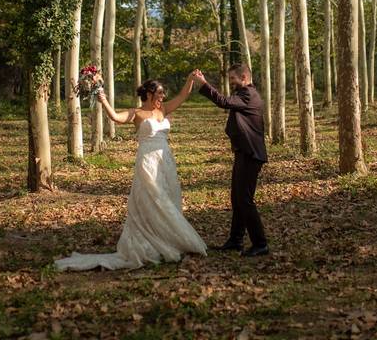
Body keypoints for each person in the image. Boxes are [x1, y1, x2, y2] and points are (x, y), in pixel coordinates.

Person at [54, 77, 207, 271]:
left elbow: (183, 96)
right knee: (152, 198)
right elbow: (116, 117)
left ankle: (168, 237)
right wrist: (104, 100)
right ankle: (148, 239)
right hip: (147, 162)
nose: (163, 96)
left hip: (165, 160)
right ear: (150, 94)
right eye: (160, 92)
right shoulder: (137, 113)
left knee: (168, 198)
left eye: (163, 93)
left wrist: (191, 79)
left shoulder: (164, 109)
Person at [193, 63, 269, 257]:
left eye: (233, 79)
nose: (231, 83)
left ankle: (260, 243)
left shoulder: (248, 95)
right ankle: (236, 240)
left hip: (251, 154)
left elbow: (224, 102)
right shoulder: (245, 94)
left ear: (244, 77)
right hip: (244, 152)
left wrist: (203, 84)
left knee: (245, 199)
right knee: (237, 199)